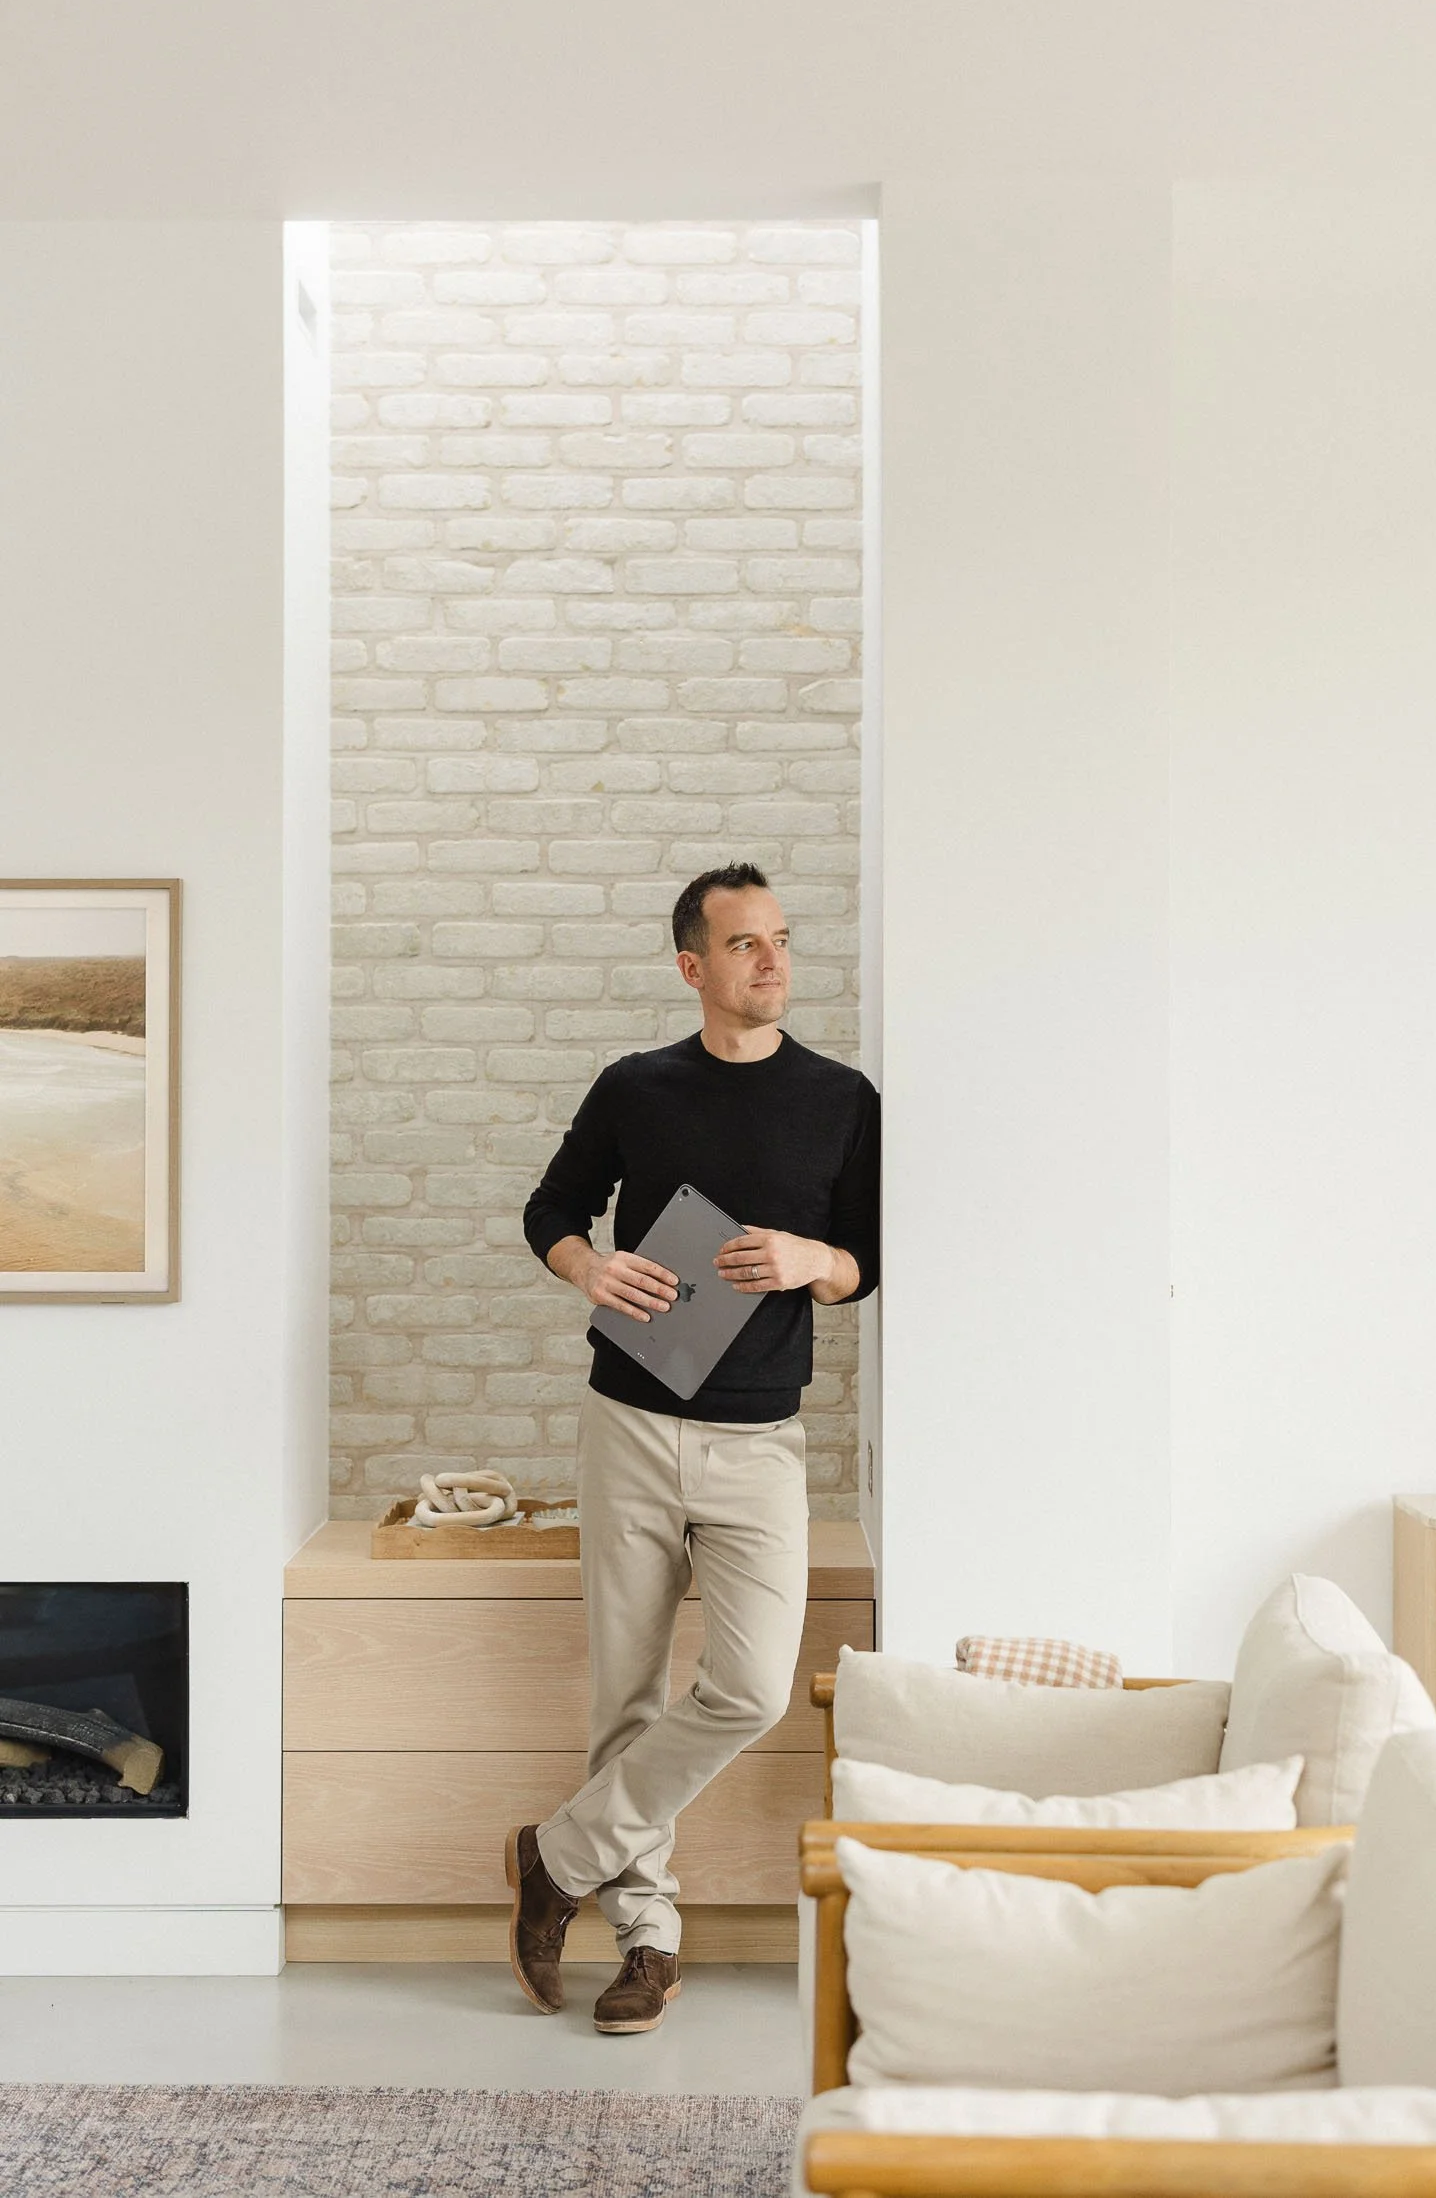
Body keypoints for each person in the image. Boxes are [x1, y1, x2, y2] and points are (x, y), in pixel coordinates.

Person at [506, 860, 881, 2035]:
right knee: (626, 1693)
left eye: (781, 939)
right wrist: (589, 1266)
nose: (772, 960)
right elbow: (550, 1211)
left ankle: (556, 1859)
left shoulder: (842, 1098)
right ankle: (647, 1940)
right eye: (744, 944)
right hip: (627, 1421)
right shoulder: (637, 1087)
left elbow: (867, 1260)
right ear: (692, 965)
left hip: (759, 1439)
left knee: (752, 1688)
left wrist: (813, 1261)